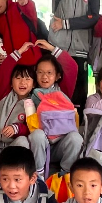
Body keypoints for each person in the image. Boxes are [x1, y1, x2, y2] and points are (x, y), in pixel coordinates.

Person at [19, 0, 99, 117]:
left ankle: (75, 132)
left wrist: (65, 23)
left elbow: (93, 19)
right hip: (56, 50)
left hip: (80, 53)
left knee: (77, 100)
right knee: (51, 97)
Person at [26, 41, 83, 179]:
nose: (44, 77)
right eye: (40, 72)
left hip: (60, 146)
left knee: (76, 138)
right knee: (37, 135)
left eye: (49, 73)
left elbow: (72, 66)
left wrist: (52, 49)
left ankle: (65, 175)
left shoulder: (63, 91)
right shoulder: (30, 91)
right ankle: (38, 177)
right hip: (39, 146)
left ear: (58, 75)